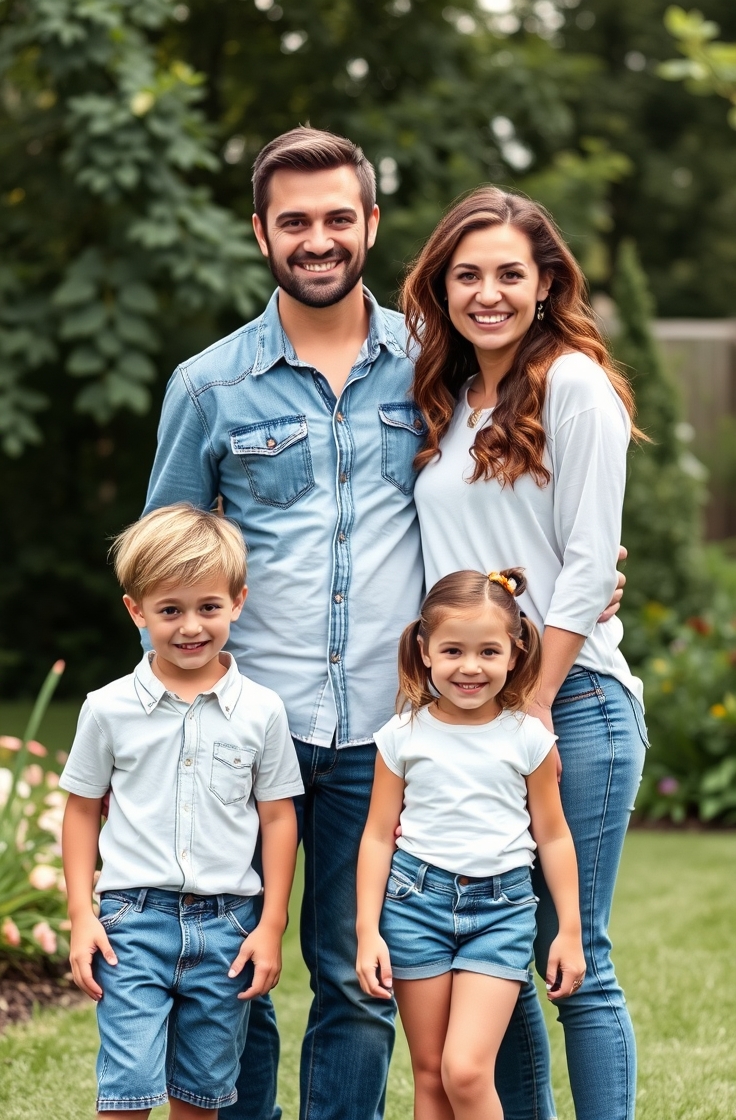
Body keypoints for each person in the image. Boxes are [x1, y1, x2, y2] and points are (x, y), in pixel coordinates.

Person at [143, 126, 626, 1120]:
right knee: (238, 972)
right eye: (293, 221)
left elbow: (526, 487)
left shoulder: (434, 363)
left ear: (369, 223)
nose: (315, 238)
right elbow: (165, 561)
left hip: (386, 724)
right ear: (259, 232)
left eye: (335, 217)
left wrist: (578, 580)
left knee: (358, 980)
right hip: (252, 727)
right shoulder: (208, 385)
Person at [402, 186, 648, 1120]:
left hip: (571, 704)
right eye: (467, 274)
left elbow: (588, 562)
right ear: (443, 286)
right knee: (494, 957)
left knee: (575, 955)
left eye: (511, 272)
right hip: (473, 710)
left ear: (546, 283)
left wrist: (535, 702)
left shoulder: (576, 385)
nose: (489, 292)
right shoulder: (446, 397)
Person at [60, 503, 303, 1118]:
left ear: (238, 602)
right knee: (126, 1092)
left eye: (208, 607)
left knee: (201, 1097)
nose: (190, 626)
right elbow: (83, 810)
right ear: (136, 611)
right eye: (169, 610)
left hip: (228, 928)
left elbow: (278, 818)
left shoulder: (262, 710)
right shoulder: (108, 708)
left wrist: (270, 924)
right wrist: (81, 915)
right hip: (131, 926)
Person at [356, 568, 586, 1120]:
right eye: (453, 649)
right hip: (414, 908)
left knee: (465, 1069)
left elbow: (553, 836)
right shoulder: (402, 736)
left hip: (499, 913)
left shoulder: (528, 738)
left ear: (514, 653)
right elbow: (376, 836)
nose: (470, 667)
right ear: (425, 650)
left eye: (488, 651)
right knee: (431, 1077)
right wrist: (368, 932)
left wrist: (570, 932)